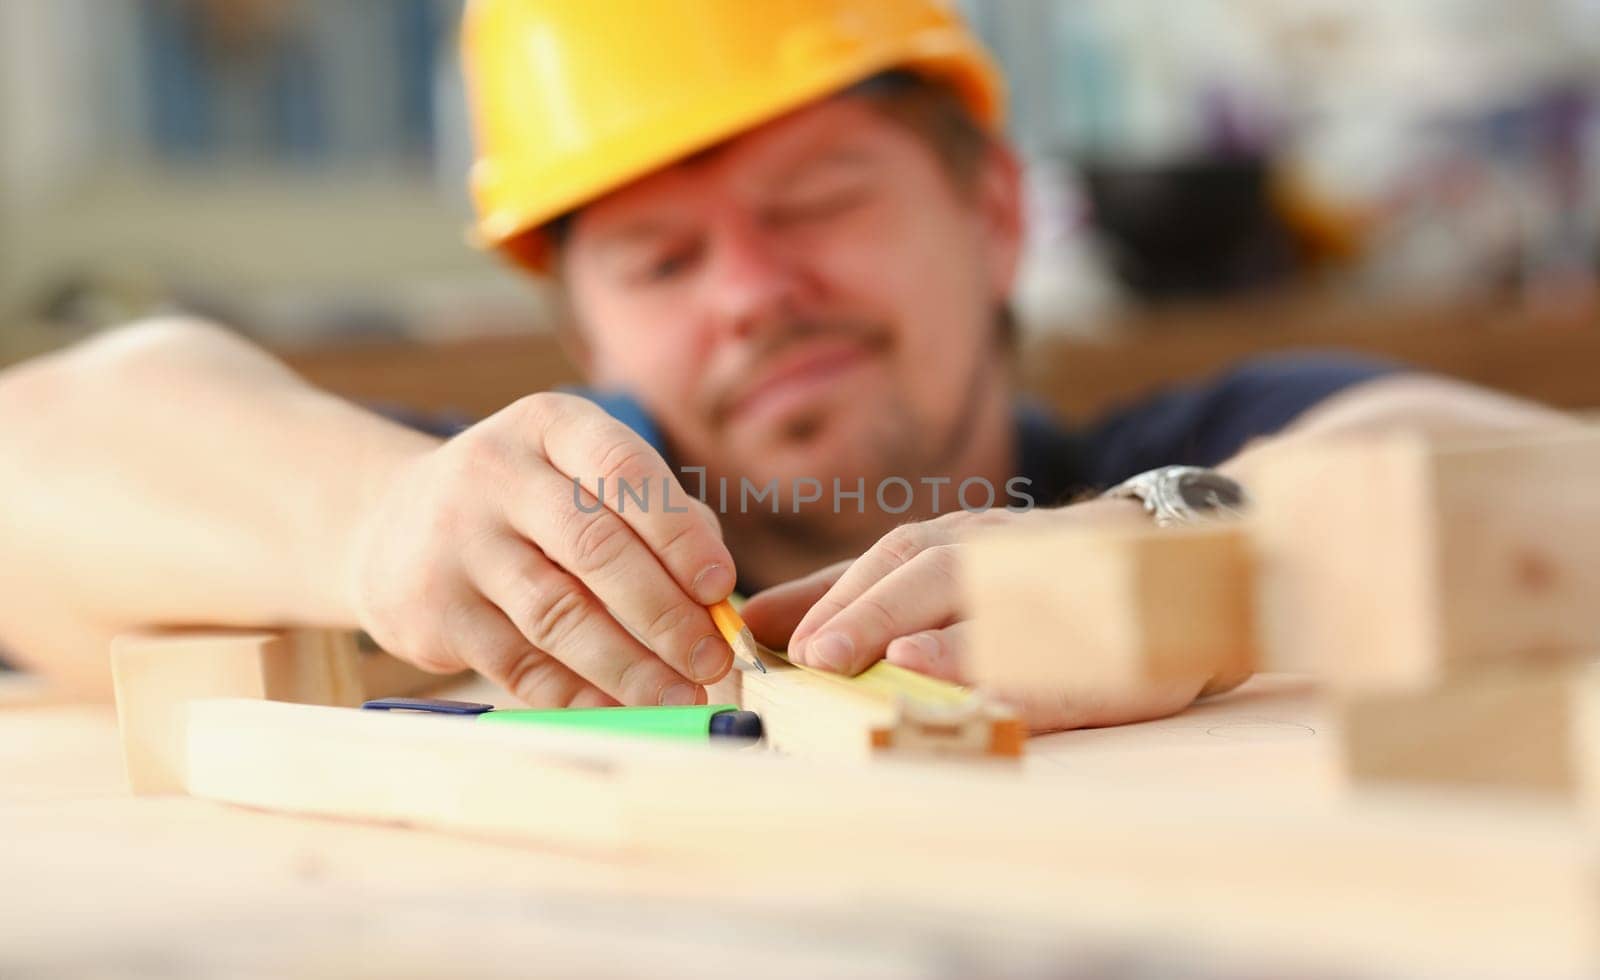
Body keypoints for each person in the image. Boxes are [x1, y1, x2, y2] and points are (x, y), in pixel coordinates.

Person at [0, 0, 1571, 728]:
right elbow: (46, 450)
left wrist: (1185, 559)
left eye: (820, 200)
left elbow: (1543, 489)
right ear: (584, 333)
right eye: (663, 259)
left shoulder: (1167, 457)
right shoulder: (486, 557)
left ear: (996, 212)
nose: (753, 292)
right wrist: (370, 527)